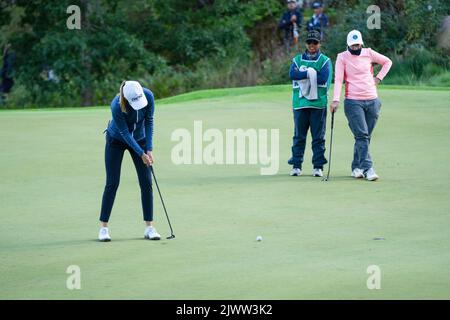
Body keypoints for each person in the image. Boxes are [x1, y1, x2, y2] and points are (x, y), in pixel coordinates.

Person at [98, 80, 161, 241]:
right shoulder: (116, 105)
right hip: (116, 141)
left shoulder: (148, 96)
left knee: (146, 182)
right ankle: (103, 229)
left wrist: (149, 149)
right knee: (112, 183)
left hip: (140, 140)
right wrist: (141, 154)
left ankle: (149, 227)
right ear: (126, 99)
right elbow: (125, 134)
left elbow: (149, 121)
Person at [330, 30, 392, 181]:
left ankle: (356, 167)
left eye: (357, 45)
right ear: (348, 44)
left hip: (373, 100)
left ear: (361, 43)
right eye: (352, 45)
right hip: (353, 101)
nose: (355, 48)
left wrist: (378, 78)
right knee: (362, 135)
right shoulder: (342, 57)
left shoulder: (369, 53)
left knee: (364, 137)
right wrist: (336, 99)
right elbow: (338, 80)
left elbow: (387, 62)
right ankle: (368, 168)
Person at [288, 30, 332, 177]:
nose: (312, 45)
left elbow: (322, 78)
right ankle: (296, 165)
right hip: (300, 103)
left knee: (318, 137)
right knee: (299, 136)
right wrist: (310, 73)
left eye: (315, 42)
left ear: (319, 44)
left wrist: (305, 74)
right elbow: (292, 75)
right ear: (305, 44)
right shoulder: (297, 60)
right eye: (309, 42)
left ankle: (318, 166)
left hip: (318, 104)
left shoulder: (325, 61)